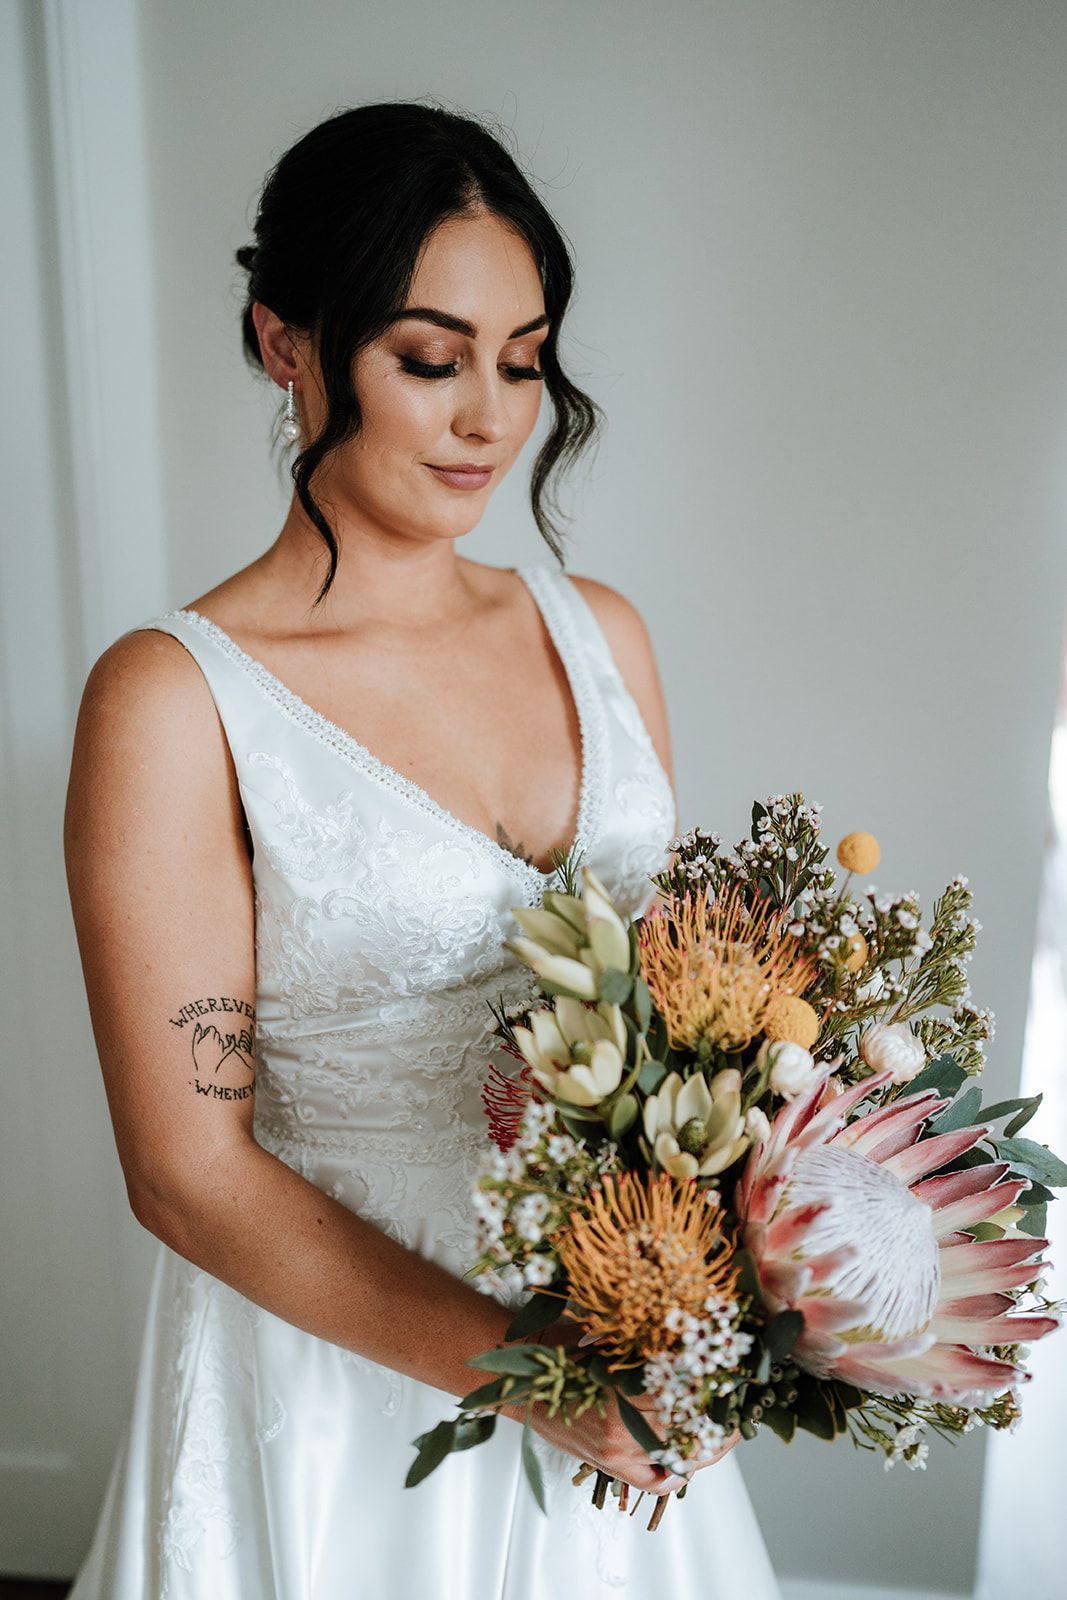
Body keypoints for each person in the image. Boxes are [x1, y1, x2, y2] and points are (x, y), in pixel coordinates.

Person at [62, 101, 781, 1598]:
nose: (491, 421)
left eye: (524, 362)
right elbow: (189, 1172)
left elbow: (686, 1022)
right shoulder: (174, 696)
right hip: (328, 1398)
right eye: (430, 359)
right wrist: (541, 1383)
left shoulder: (603, 637)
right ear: (286, 343)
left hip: (622, 1341)